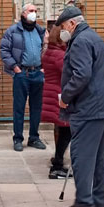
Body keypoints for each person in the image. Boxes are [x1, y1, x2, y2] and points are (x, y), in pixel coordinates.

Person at [55, 4, 104, 207]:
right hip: (103, 105)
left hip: (89, 106)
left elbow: (82, 74)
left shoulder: (80, 41)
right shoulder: (94, 37)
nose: (63, 31)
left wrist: (65, 97)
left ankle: (83, 202)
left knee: (81, 154)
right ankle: (100, 200)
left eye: (64, 26)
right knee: (101, 155)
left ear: (72, 23)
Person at [0, 3, 47, 152]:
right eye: (31, 11)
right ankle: (18, 138)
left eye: (35, 11)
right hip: (22, 74)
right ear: (23, 13)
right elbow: (4, 50)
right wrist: (15, 68)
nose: (34, 13)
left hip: (37, 73)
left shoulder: (40, 31)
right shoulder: (13, 31)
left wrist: (43, 67)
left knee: (36, 107)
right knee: (19, 107)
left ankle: (34, 137)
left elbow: (46, 49)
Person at [41, 29, 71, 179]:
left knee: (64, 131)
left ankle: (57, 161)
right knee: (67, 131)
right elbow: (69, 72)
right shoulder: (59, 54)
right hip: (60, 95)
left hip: (53, 95)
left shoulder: (51, 51)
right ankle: (57, 166)